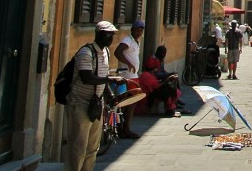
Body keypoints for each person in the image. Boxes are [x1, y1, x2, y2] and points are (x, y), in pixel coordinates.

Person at [66, 21, 124, 171]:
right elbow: (87, 78)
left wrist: (110, 95)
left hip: (96, 104)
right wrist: (109, 79)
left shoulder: (106, 52)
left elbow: (102, 77)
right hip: (80, 103)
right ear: (98, 35)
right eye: (108, 35)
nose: (111, 38)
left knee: (93, 147)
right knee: (78, 146)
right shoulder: (86, 52)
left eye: (112, 35)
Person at [114, 19, 145, 139]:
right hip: (127, 76)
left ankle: (124, 127)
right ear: (132, 30)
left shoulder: (136, 41)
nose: (139, 32)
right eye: (137, 29)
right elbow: (118, 52)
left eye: (141, 30)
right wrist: (129, 64)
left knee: (131, 102)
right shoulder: (127, 40)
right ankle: (124, 128)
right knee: (128, 102)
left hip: (133, 76)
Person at [137, 46, 182, 117]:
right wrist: (168, 79)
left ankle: (174, 104)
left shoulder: (149, 74)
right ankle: (171, 108)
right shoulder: (147, 75)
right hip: (148, 97)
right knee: (168, 89)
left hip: (152, 91)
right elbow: (156, 86)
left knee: (170, 86)